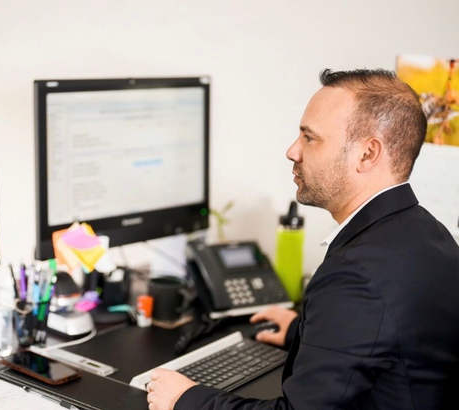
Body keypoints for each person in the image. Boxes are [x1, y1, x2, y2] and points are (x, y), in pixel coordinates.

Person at [145, 69, 459, 410]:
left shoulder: (357, 275)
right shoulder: (428, 233)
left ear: (367, 154)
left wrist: (187, 400)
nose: (293, 151)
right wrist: (303, 332)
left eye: (310, 138)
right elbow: (392, 338)